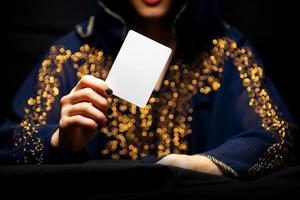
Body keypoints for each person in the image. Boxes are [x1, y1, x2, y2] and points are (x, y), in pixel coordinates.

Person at [0, 0, 297, 177]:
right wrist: (58, 140)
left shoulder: (226, 51)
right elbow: (10, 143)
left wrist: (202, 165)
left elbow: (281, 135)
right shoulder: (73, 55)